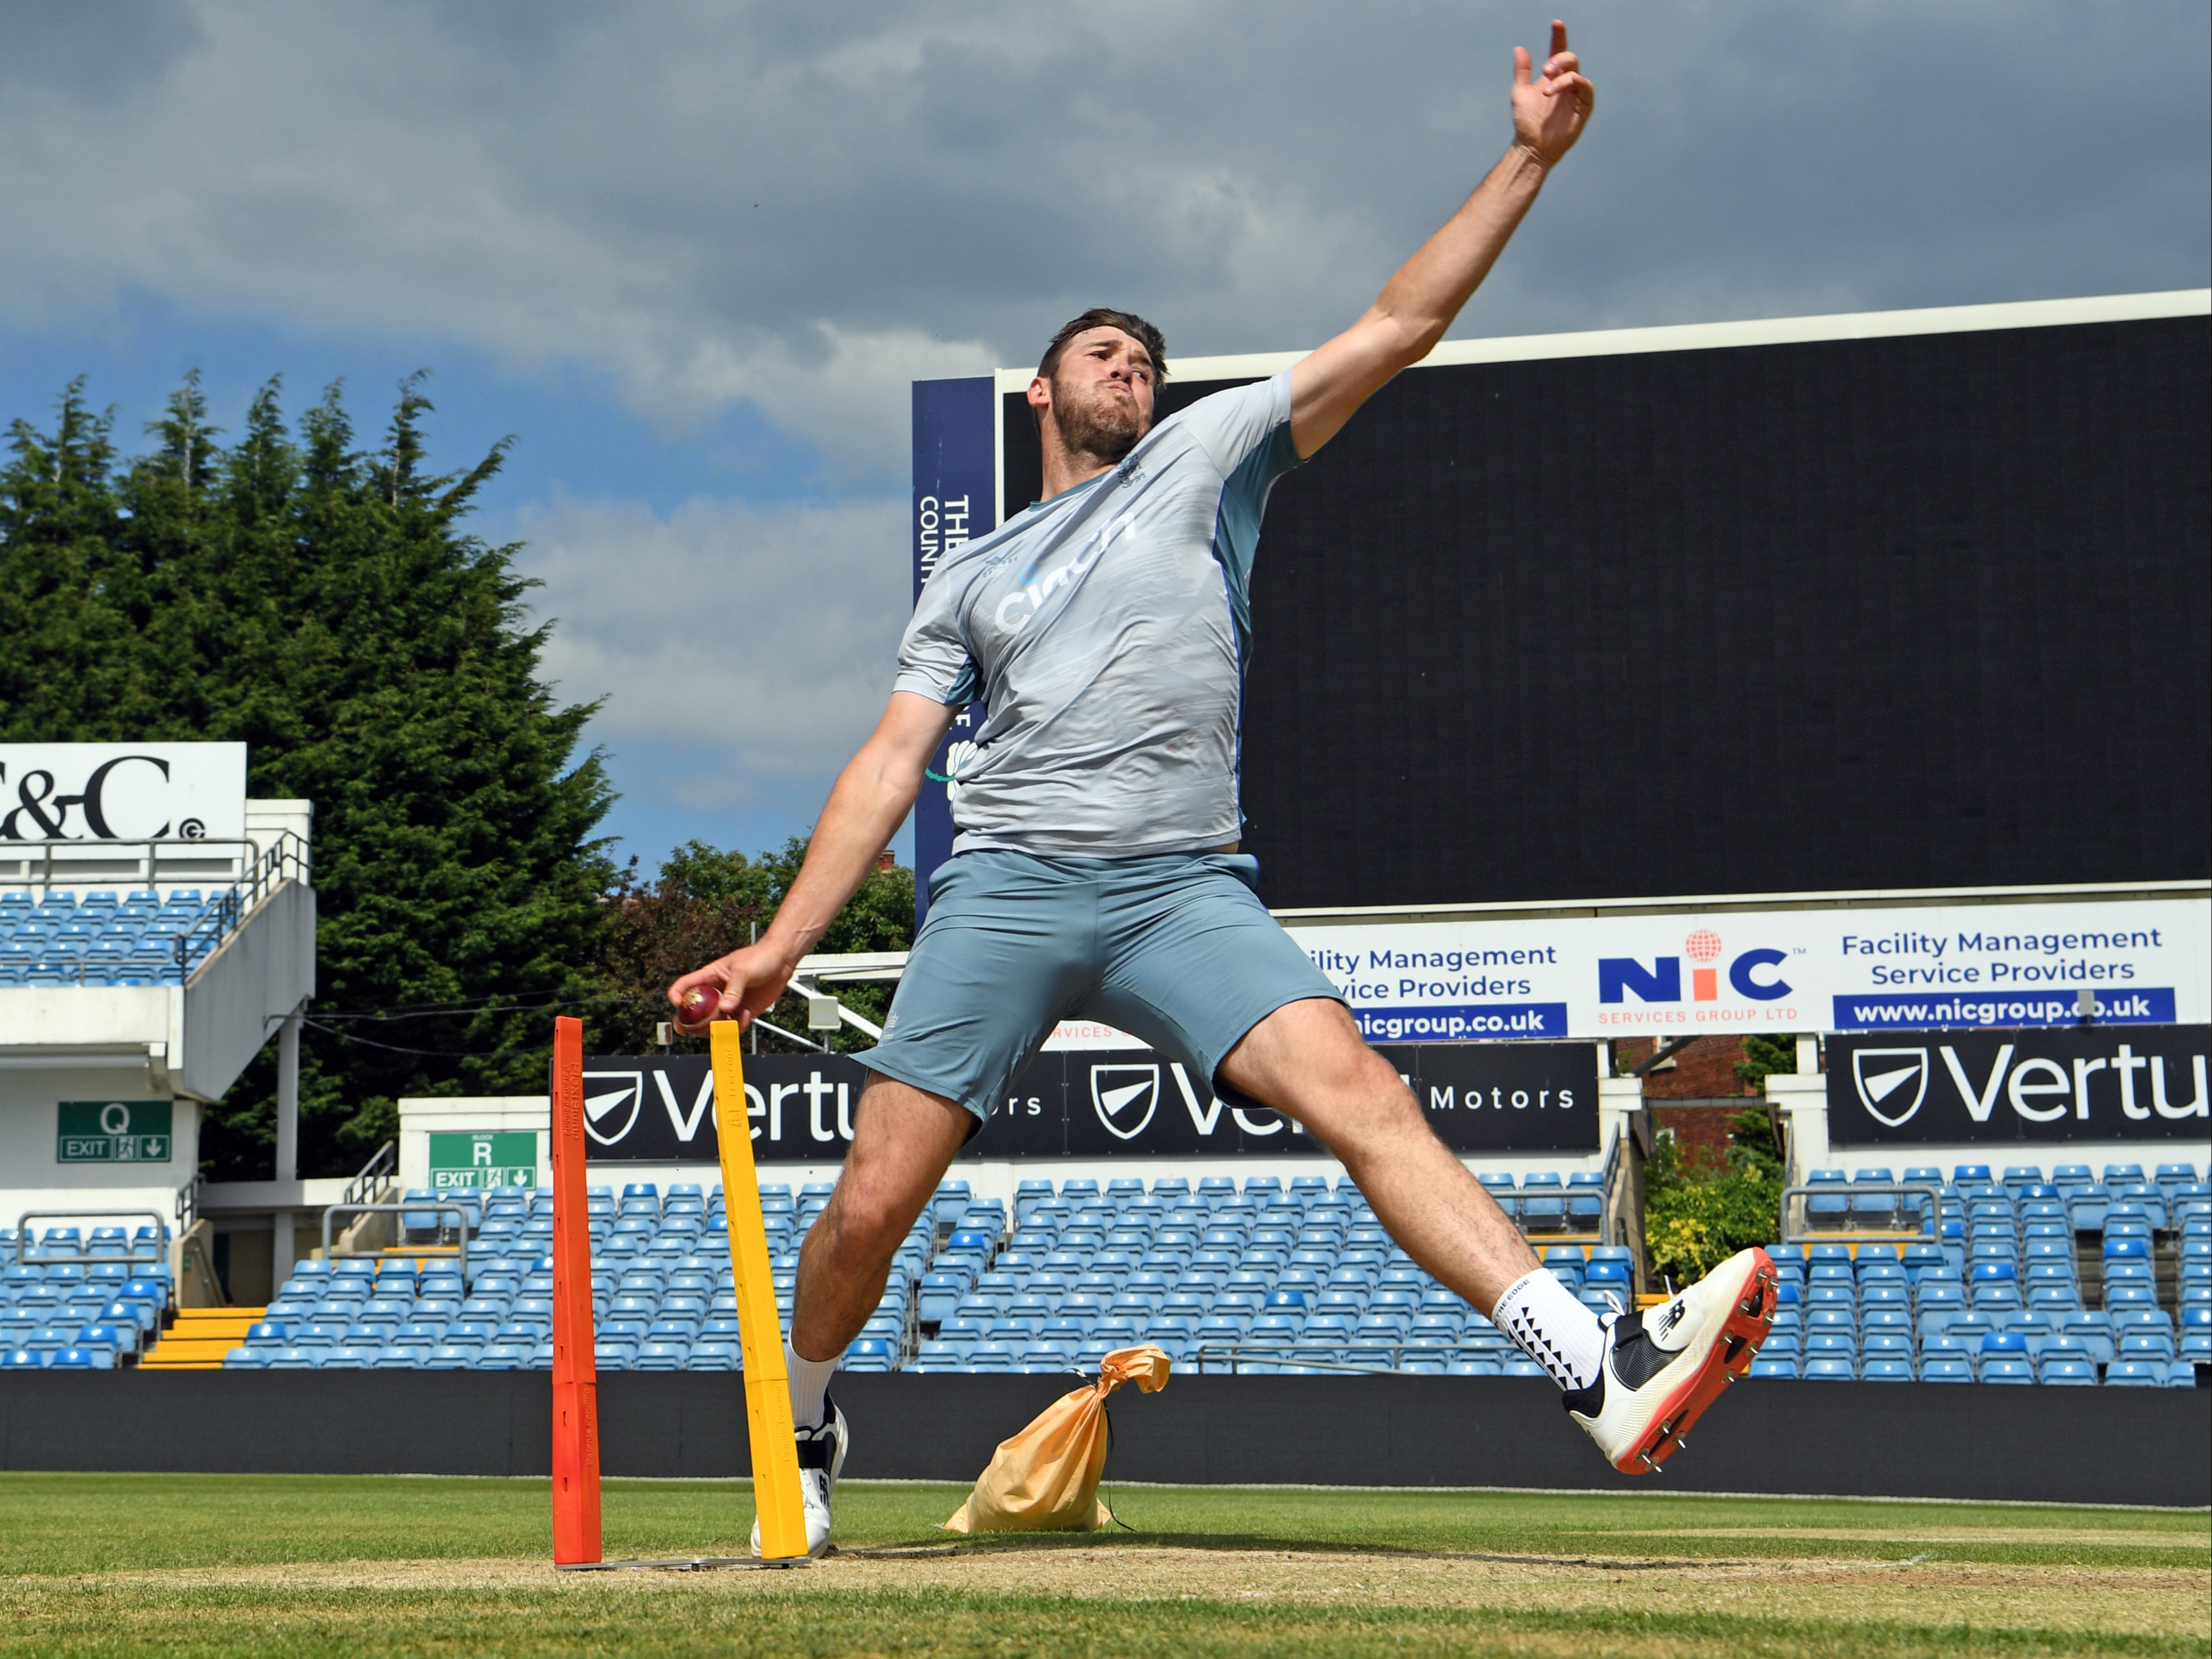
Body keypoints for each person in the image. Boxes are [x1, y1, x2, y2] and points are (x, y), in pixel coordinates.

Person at [673, 21, 1773, 1558]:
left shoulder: (1209, 454)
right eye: (1103, 353)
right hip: (1007, 885)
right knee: (867, 1206)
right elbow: (888, 762)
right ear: (1041, 390)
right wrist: (783, 940)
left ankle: (1594, 1367)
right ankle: (804, 1410)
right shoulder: (969, 574)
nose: (1134, 366)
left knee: (1368, 1099)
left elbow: (1397, 323)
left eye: (1147, 355)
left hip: (1186, 885)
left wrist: (1528, 156)